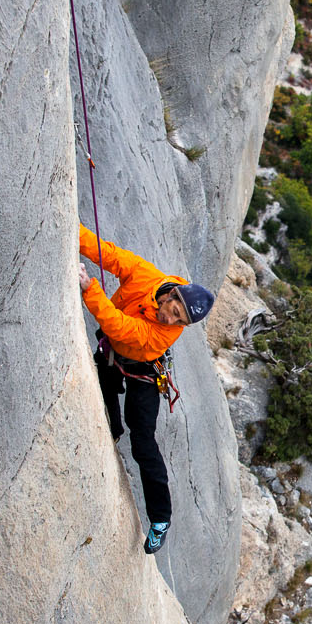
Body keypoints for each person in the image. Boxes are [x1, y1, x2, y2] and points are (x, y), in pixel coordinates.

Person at [76, 223, 215, 553]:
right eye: (174, 311)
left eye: (180, 321)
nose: (171, 321)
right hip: (112, 354)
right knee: (105, 394)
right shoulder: (145, 274)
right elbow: (109, 255)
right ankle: (110, 431)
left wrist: (89, 289)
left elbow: (123, 328)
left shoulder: (163, 334)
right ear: (170, 295)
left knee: (143, 442)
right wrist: (73, 232)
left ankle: (161, 518)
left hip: (143, 372)